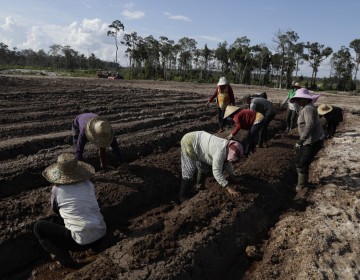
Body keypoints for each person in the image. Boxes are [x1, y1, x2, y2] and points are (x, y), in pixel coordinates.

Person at [33, 153, 107, 268]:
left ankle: (66, 261)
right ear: (78, 170)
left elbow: (55, 209)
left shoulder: (57, 189)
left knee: (38, 227)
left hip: (78, 243)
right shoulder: (88, 184)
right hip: (101, 233)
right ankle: (97, 246)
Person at [179, 131, 244, 202]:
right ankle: (183, 196)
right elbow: (216, 172)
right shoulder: (220, 153)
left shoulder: (228, 146)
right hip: (189, 142)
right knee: (189, 170)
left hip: (199, 140)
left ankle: (199, 186)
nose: (233, 161)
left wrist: (232, 176)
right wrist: (228, 187)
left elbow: (227, 162)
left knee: (202, 166)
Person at [289, 88, 325, 192]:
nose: (296, 101)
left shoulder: (308, 108)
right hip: (309, 140)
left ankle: (301, 187)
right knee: (298, 160)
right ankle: (303, 183)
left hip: (312, 141)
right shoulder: (307, 107)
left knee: (302, 163)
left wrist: (301, 140)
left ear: (305, 99)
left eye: (298, 99)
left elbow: (310, 125)